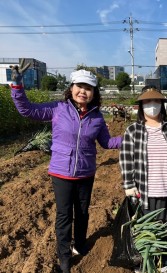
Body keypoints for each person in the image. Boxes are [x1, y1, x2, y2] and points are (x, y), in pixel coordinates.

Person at [9, 64, 123, 273]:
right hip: (61, 173)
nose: (83, 91)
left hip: (85, 173)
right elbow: (27, 109)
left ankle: (80, 245)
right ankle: (64, 256)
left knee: (82, 213)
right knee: (64, 216)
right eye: (79, 86)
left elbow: (106, 142)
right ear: (71, 88)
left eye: (88, 88)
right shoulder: (57, 109)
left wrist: (129, 138)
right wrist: (17, 85)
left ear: (94, 92)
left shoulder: (97, 117)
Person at [119, 86, 167, 273]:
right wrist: (129, 185)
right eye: (147, 102)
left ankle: (164, 260)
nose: (152, 106)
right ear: (141, 106)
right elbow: (126, 159)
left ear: (162, 104)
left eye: (156, 101)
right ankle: (142, 261)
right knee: (143, 228)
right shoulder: (133, 130)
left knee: (166, 227)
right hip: (144, 192)